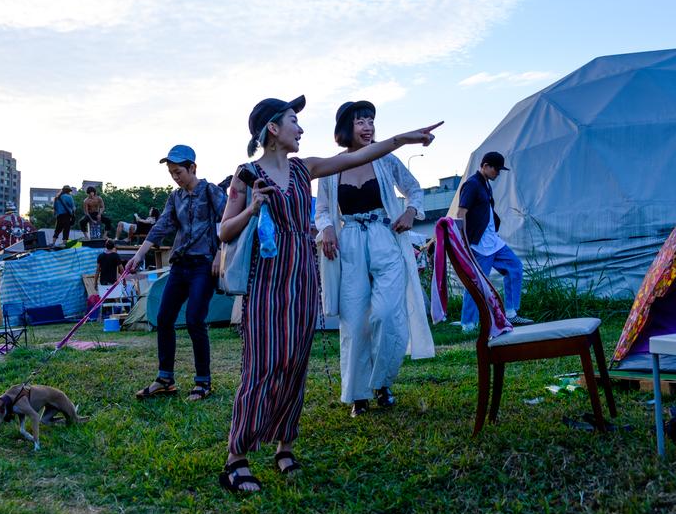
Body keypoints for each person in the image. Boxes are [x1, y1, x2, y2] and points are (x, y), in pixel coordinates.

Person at [217, 94, 442, 492]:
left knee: (296, 363)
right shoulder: (246, 175)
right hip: (267, 279)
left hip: (302, 275)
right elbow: (223, 232)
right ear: (273, 128)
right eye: (293, 121)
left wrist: (403, 139)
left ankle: (285, 447)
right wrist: (251, 209)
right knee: (264, 364)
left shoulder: (306, 169)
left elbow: (357, 158)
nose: (300, 128)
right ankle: (237, 457)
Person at [316, 100, 436, 418]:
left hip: (386, 238)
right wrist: (327, 229)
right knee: (355, 323)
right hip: (351, 243)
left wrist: (411, 211)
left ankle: (381, 382)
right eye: (360, 121)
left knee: (385, 314)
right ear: (345, 127)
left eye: (371, 120)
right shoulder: (331, 167)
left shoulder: (385, 159)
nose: (368, 126)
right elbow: (323, 210)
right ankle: (359, 395)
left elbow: (413, 189)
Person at [125, 145, 227, 403]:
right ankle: (165, 379)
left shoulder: (210, 191)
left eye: (178, 171)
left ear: (193, 167)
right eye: (171, 173)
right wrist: (139, 255)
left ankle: (203, 382)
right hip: (180, 265)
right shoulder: (175, 197)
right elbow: (161, 227)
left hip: (204, 264)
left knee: (194, 319)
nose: (175, 177)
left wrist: (220, 254)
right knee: (164, 317)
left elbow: (229, 222)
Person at [457, 151, 534, 331]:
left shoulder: (485, 184)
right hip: (479, 244)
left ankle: (511, 314)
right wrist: (464, 242)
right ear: (485, 166)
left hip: (493, 241)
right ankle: (468, 324)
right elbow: (461, 213)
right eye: (496, 169)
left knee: (515, 267)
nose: (498, 173)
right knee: (477, 282)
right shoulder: (472, 185)